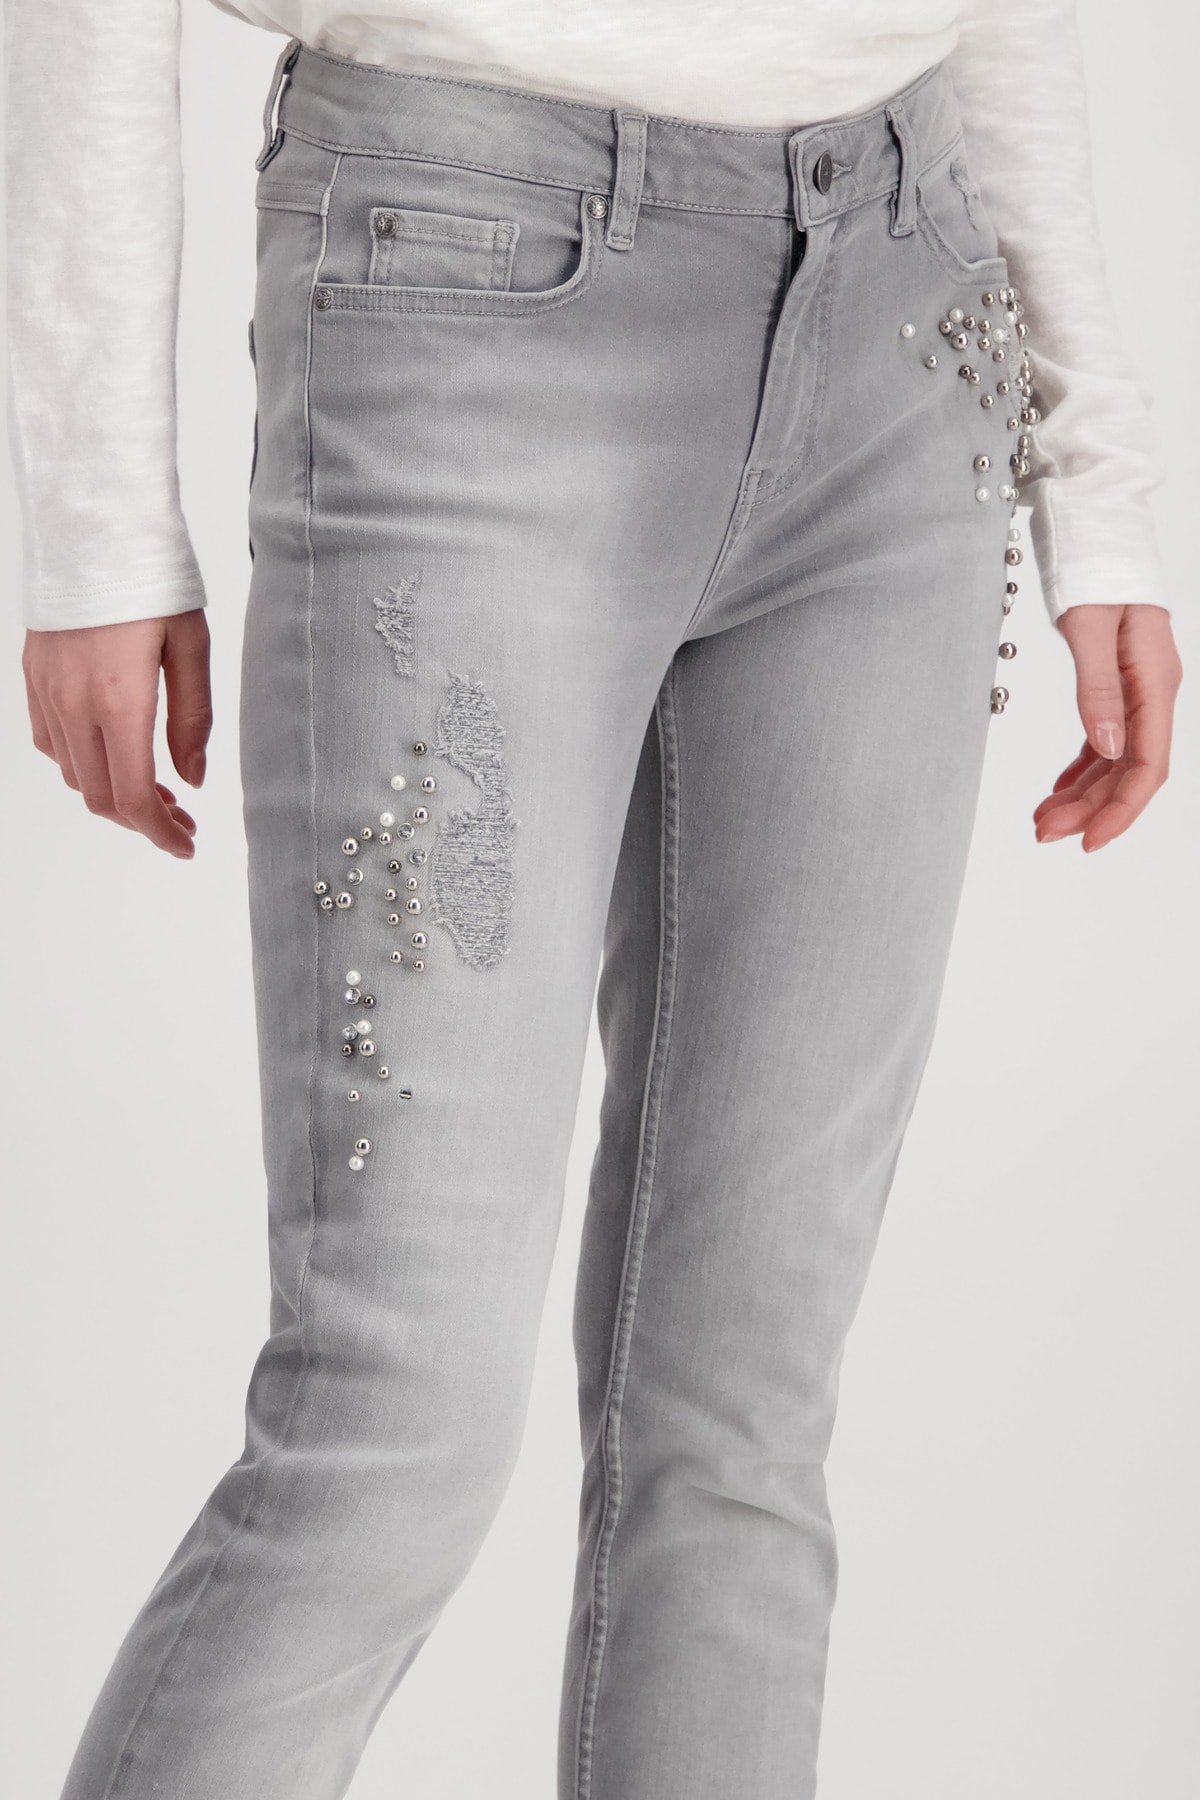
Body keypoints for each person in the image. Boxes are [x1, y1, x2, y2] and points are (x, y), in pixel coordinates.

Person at [4, 4, 1183, 1798]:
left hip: (910, 320)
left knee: (740, 1432)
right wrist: (95, 518)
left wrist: (1096, 472)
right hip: (464, 284)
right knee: (390, 1418)